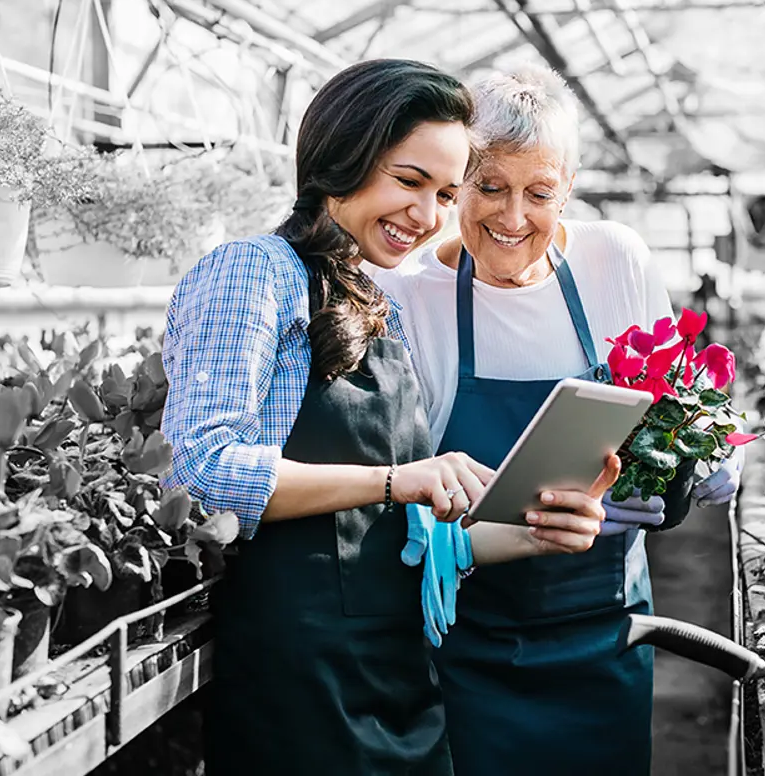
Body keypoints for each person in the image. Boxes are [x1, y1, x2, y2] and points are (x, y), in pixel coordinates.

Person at [160, 59, 618, 776]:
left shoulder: (377, 301)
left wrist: (536, 532)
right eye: (409, 181)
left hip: (398, 672)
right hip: (303, 679)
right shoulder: (254, 271)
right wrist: (396, 479)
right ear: (343, 157)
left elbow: (411, 541)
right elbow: (202, 474)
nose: (429, 216)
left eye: (443, 193)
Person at [375, 63, 743, 776]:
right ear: (457, 183)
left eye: (539, 193)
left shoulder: (615, 260)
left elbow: (674, 413)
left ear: (567, 190)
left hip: (605, 633)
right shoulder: (409, 296)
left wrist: (696, 464)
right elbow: (399, 499)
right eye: (489, 188)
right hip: (469, 646)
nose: (513, 219)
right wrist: (482, 534)